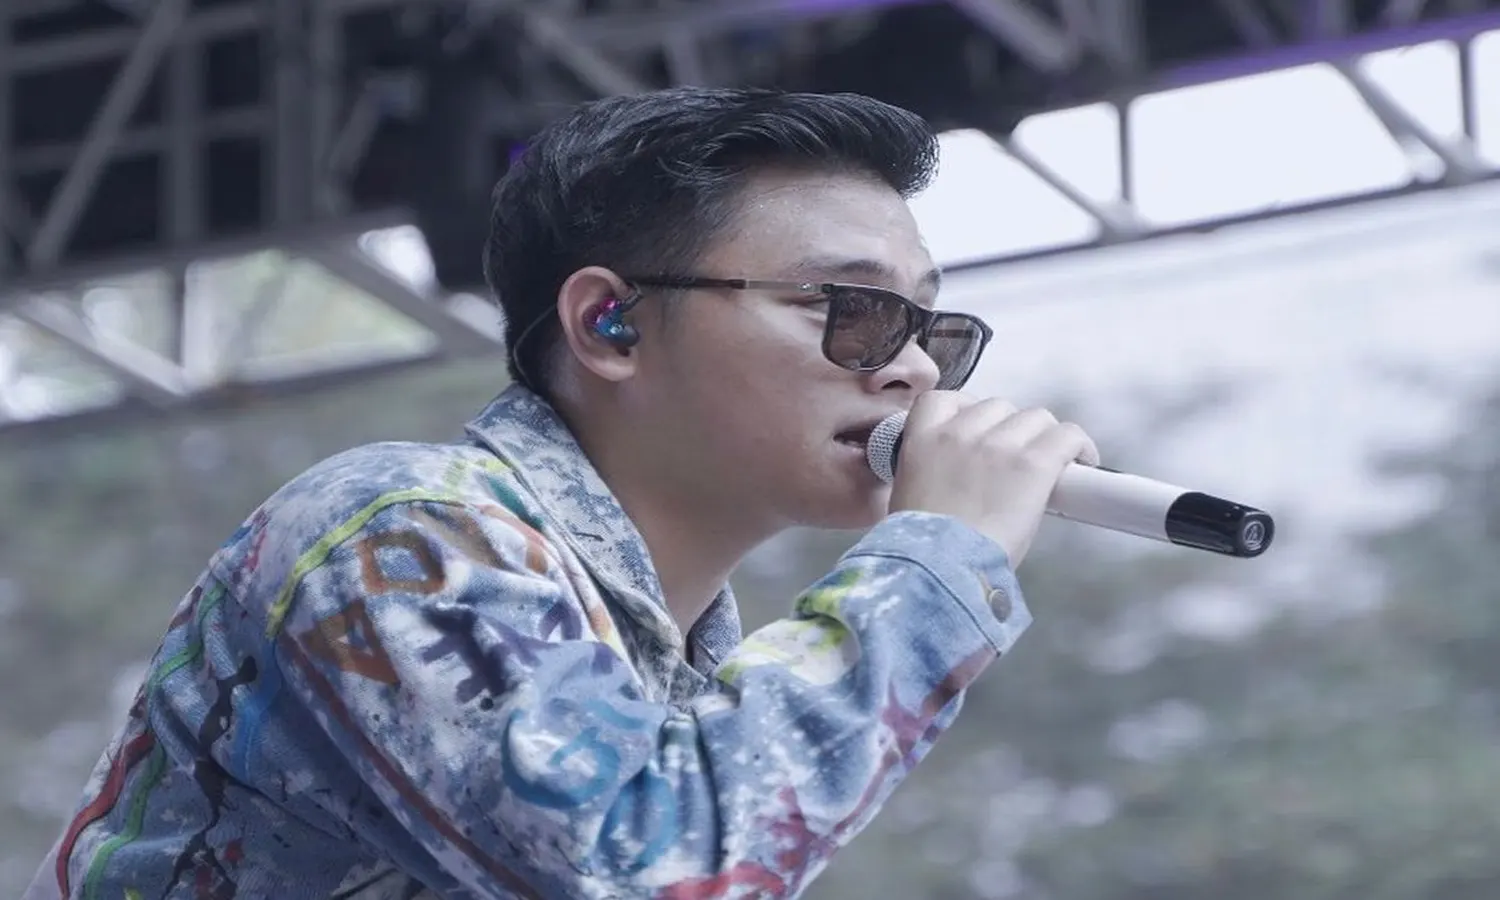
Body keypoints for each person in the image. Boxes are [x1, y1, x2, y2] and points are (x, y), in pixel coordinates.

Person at [27, 86, 1097, 900]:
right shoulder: (397, 533)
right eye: (851, 308)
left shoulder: (682, 679)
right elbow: (645, 867)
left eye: (929, 327)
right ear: (608, 324)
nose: (910, 369)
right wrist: (938, 559)